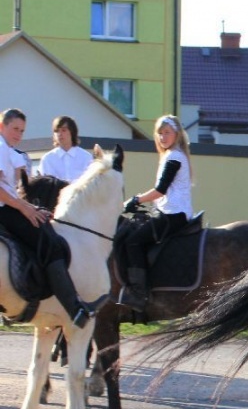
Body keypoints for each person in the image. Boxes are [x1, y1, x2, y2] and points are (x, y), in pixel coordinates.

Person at [0, 108, 94, 327]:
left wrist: (28, 206)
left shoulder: (8, 149)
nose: (18, 134)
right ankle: (74, 309)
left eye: (22, 131)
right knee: (50, 243)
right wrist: (24, 208)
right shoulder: (2, 148)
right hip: (4, 210)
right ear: (2, 126)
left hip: (9, 206)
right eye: (15, 129)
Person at [116, 115, 193, 312]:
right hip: (170, 211)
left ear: (176, 134)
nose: (162, 136)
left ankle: (140, 293)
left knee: (133, 240)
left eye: (167, 132)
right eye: (159, 133)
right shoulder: (172, 155)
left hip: (173, 214)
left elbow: (160, 190)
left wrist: (135, 200)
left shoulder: (174, 157)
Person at [37, 115, 94, 182]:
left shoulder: (86, 158)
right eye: (56, 131)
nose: (59, 134)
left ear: (72, 132)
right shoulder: (47, 159)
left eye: (64, 130)